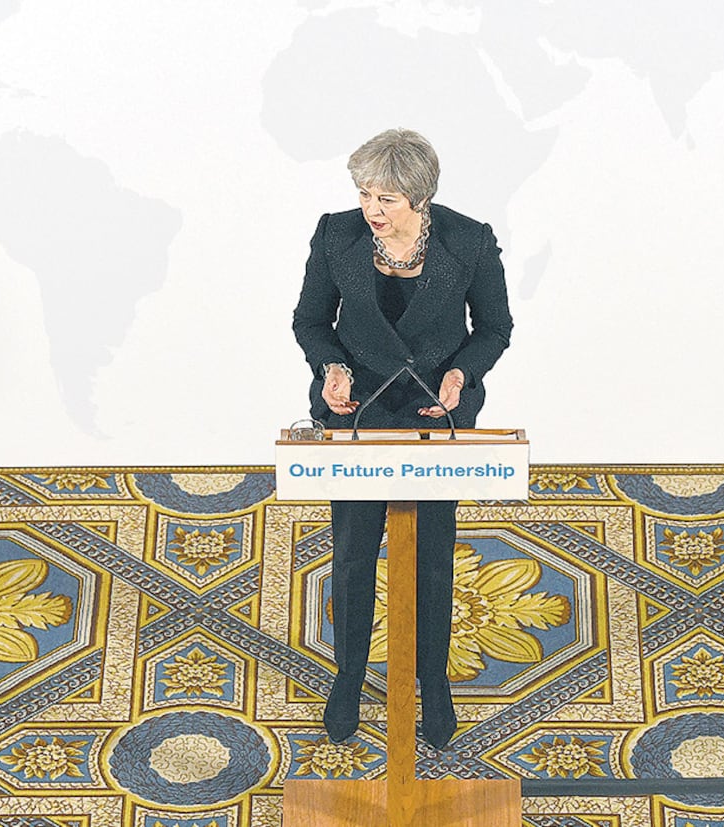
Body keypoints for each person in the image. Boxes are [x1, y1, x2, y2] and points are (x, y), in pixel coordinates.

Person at [292, 129, 514, 749]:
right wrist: (329, 368)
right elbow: (311, 320)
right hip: (357, 410)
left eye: (386, 199)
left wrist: (461, 373)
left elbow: (494, 328)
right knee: (354, 553)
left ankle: (432, 683)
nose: (371, 210)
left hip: (430, 415)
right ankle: (349, 676)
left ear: (421, 199)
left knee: (433, 557)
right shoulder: (336, 234)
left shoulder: (467, 240)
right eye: (365, 193)